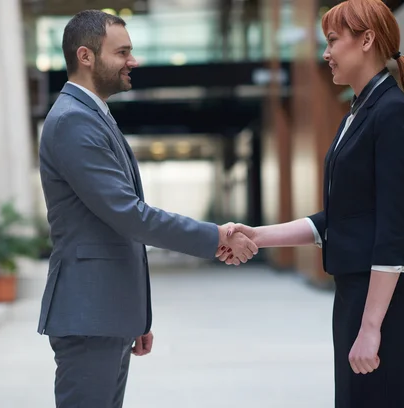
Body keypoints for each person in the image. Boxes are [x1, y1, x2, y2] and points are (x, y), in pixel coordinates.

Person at [37, 10, 258, 408]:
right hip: (90, 315)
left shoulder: (92, 116)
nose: (133, 61)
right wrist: (214, 237)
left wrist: (135, 316)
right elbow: (128, 214)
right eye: (122, 52)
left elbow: (117, 228)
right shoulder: (73, 121)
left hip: (106, 314)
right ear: (86, 56)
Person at [219, 0, 404, 406]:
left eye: (332, 40)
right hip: (359, 289)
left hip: (381, 296)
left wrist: (371, 326)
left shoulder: (391, 114)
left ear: (366, 40)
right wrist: (256, 236)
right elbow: (338, 218)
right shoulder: (359, 111)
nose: (326, 53)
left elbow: (393, 230)